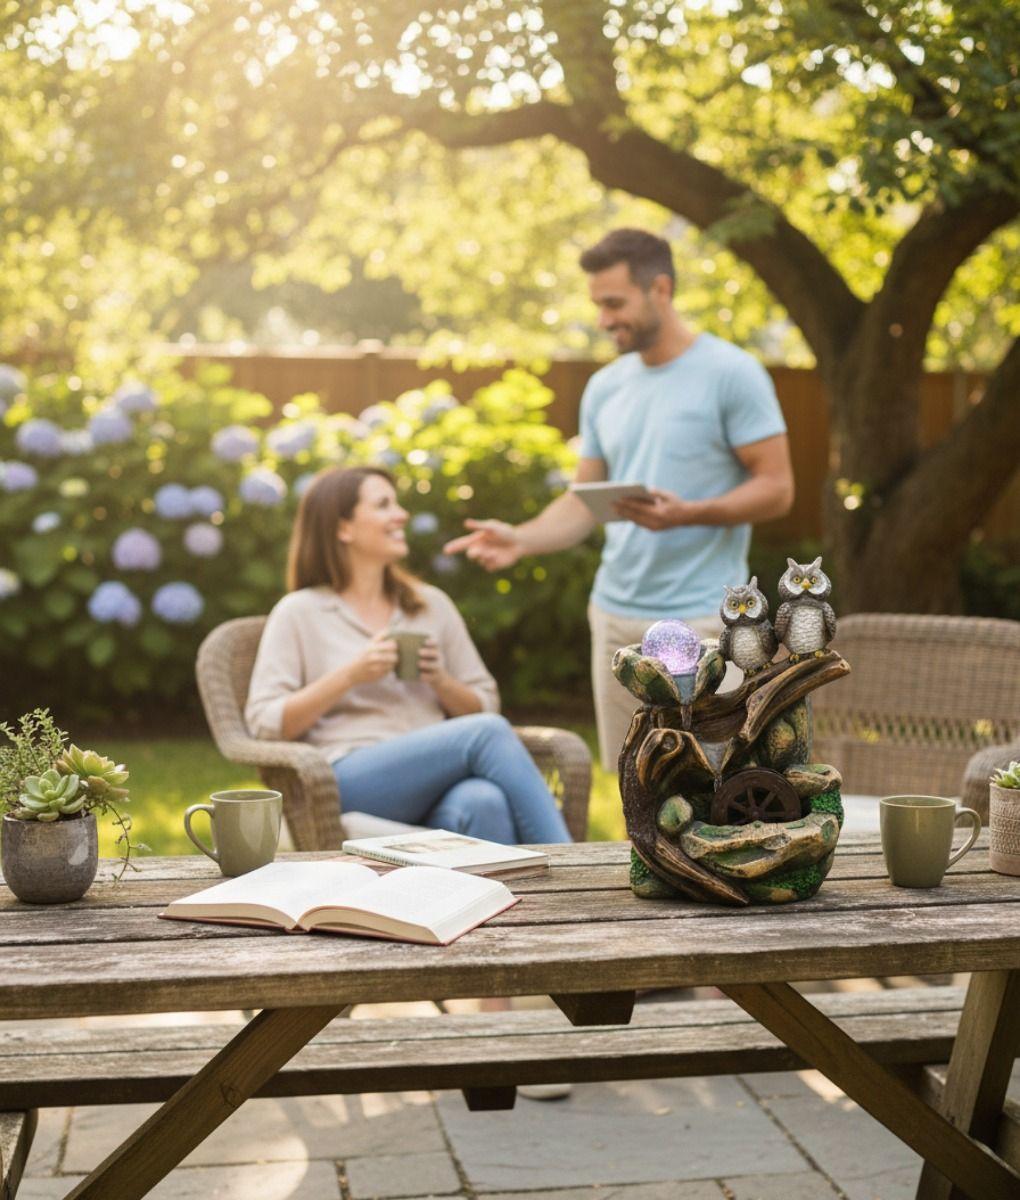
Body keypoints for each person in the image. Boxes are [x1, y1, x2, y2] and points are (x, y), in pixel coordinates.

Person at [444, 228, 794, 772]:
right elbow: (585, 501)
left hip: (702, 620)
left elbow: (777, 489)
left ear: (660, 288)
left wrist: (689, 515)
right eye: (598, 306)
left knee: (709, 783)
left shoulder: (731, 373)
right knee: (633, 783)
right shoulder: (605, 388)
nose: (604, 320)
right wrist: (522, 538)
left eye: (614, 303)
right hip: (615, 618)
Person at [245, 465, 571, 845]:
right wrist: (351, 675)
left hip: (436, 779)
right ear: (343, 528)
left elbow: (485, 702)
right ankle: (570, 865)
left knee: (485, 802)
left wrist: (441, 681)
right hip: (344, 780)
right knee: (487, 733)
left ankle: (508, 905)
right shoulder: (300, 612)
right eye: (384, 505)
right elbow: (266, 722)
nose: (401, 515)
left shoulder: (430, 606)